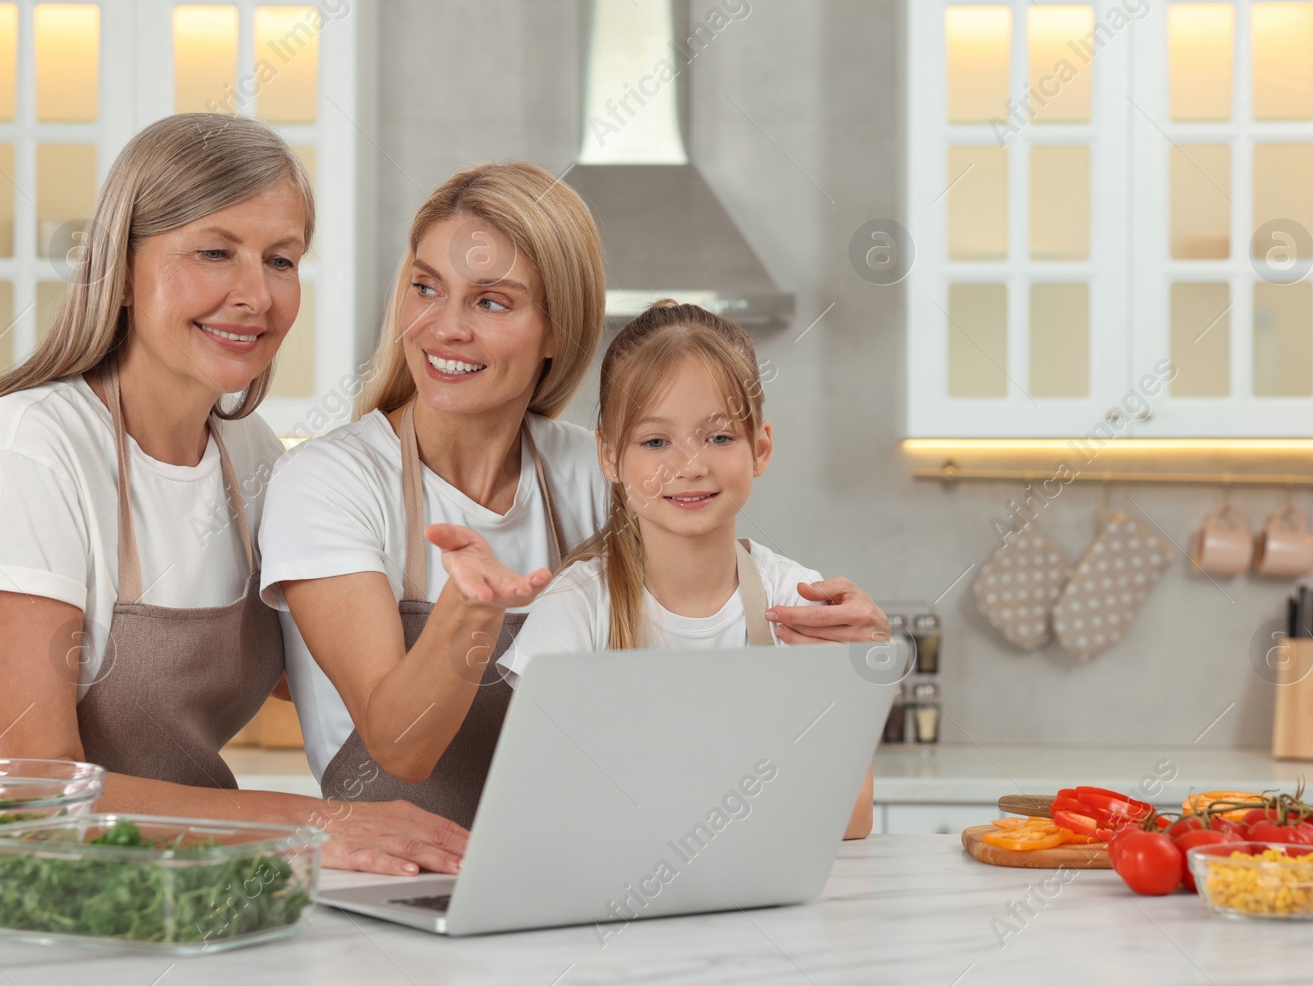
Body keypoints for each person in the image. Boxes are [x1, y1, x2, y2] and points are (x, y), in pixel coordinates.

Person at [264, 162, 889, 831]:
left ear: (558, 330)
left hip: (577, 866)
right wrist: (469, 610)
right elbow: (399, 746)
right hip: (389, 880)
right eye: (426, 287)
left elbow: (703, 631)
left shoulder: (596, 472)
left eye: (491, 301)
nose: (445, 327)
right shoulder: (329, 483)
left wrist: (845, 670)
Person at [0, 113, 466, 876]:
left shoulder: (253, 456)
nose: (256, 294)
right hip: (10, 893)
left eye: (282, 259)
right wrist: (316, 822)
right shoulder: (29, 450)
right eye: (215, 252)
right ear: (120, 267)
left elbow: (325, 678)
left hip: (185, 887)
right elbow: (31, 792)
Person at [496, 301, 873, 838]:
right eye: (655, 441)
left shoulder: (797, 600)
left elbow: (853, 819)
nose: (690, 465)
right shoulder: (576, 609)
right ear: (609, 456)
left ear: (760, 448)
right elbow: (534, 814)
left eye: (719, 437)